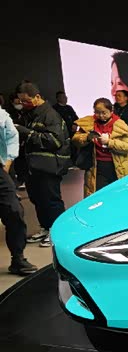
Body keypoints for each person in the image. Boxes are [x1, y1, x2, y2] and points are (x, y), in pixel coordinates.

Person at [14, 82, 71, 248]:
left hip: (49, 166)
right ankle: (46, 228)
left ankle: (57, 232)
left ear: (37, 97)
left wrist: (26, 133)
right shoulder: (29, 114)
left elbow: (54, 141)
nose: (23, 104)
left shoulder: (50, 115)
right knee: (37, 199)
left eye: (26, 101)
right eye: (20, 101)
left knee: (51, 200)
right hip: (33, 167)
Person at [0, 106, 37, 274]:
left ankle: (18, 258)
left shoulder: (1, 115)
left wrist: (8, 161)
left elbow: (12, 135)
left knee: (14, 210)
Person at [72, 98, 128, 197]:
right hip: (96, 167)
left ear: (111, 111)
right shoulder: (89, 123)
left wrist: (109, 142)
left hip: (119, 167)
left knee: (120, 196)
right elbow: (75, 140)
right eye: (97, 112)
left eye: (104, 113)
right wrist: (87, 137)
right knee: (98, 197)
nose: (100, 115)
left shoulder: (120, 124)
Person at [53, 91, 79, 166]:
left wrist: (75, 124)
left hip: (71, 132)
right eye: (63, 97)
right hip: (61, 133)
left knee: (73, 147)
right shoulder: (55, 108)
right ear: (58, 98)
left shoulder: (69, 108)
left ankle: (74, 162)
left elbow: (76, 118)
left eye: (65, 97)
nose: (65, 98)